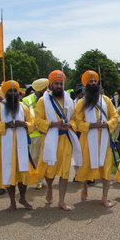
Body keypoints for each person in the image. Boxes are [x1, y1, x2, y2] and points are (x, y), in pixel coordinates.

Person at [35, 70, 82, 211]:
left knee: (65, 172)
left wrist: (70, 125)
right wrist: (52, 124)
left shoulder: (68, 99)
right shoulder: (43, 101)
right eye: (56, 83)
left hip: (66, 139)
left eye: (61, 84)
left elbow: (75, 119)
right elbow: (37, 121)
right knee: (50, 171)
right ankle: (49, 187)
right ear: (51, 84)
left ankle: (61, 201)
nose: (59, 86)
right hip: (50, 139)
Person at [0, 80, 38, 211]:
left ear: (18, 93)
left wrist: (25, 125)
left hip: (22, 147)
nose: (13, 93)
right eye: (10, 91)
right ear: (5, 92)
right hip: (6, 147)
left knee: (23, 173)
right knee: (8, 173)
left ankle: (22, 198)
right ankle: (12, 202)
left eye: (15, 91)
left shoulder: (23, 107)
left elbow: (33, 122)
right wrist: (5, 125)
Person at [74, 70, 118, 207]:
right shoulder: (81, 103)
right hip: (87, 140)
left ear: (98, 83)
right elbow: (76, 122)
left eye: (95, 81)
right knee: (86, 167)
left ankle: (104, 198)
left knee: (106, 168)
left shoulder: (106, 100)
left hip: (104, 139)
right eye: (90, 82)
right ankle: (84, 188)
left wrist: (107, 124)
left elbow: (114, 116)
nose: (93, 83)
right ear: (85, 85)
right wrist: (90, 125)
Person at [23, 78, 49, 190]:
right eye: (45, 89)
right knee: (34, 157)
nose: (47, 91)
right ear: (40, 90)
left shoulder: (48, 99)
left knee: (45, 157)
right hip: (33, 134)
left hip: (47, 132)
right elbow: (26, 116)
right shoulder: (27, 100)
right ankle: (37, 178)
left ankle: (41, 179)